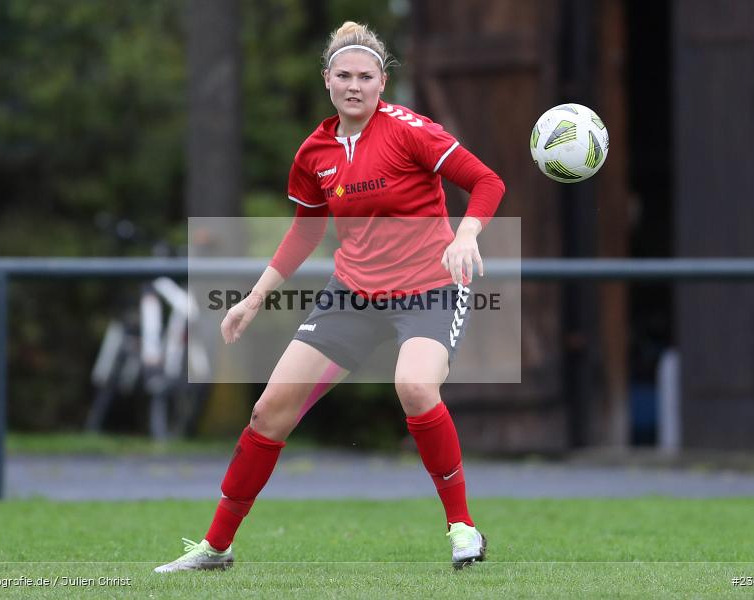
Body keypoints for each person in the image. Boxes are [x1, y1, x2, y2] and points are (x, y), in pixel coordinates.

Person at [155, 21, 505, 573]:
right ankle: (215, 548)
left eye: (365, 76)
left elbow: (487, 182)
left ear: (382, 81)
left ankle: (463, 529)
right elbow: (305, 231)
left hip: (430, 288)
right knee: (269, 411)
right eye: (344, 75)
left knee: (414, 385)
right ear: (327, 80)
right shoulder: (315, 152)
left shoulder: (412, 130)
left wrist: (465, 235)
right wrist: (255, 297)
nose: (354, 86)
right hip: (353, 294)